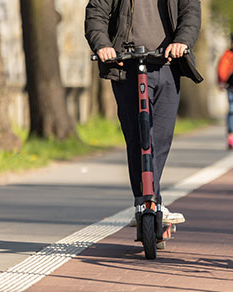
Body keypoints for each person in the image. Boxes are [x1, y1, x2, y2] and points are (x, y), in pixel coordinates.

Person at [85, 0, 201, 226]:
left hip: (166, 64)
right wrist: (102, 45)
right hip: (127, 65)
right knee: (138, 137)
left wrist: (182, 41)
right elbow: (96, 13)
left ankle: (149, 200)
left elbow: (190, 13)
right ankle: (148, 202)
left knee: (161, 136)